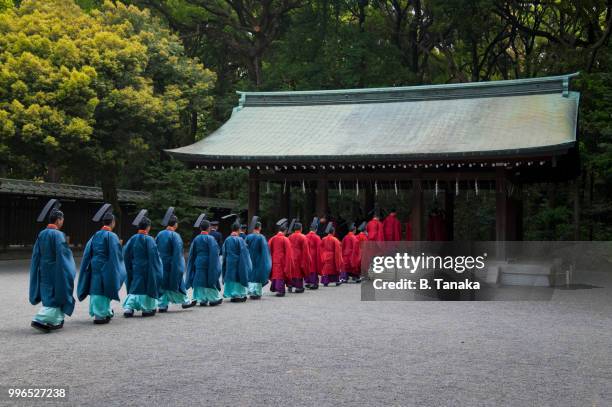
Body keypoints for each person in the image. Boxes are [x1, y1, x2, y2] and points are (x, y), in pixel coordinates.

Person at [29, 199, 76, 333]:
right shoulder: (58, 235)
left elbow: (36, 254)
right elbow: (63, 255)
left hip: (43, 268)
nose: (62, 222)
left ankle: (55, 320)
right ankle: (41, 318)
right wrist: (69, 269)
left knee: (47, 293)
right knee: (56, 294)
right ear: (58, 220)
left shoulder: (42, 233)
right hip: (56, 269)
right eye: (62, 219)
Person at [77, 204, 126, 325]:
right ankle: (101, 314)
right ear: (112, 222)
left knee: (95, 288)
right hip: (106, 266)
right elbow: (115, 255)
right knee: (105, 288)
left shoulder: (95, 235)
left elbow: (88, 251)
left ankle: (101, 312)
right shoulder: (112, 236)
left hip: (94, 265)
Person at [122, 210, 163, 317]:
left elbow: (126, 254)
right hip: (147, 268)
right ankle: (147, 308)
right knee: (146, 287)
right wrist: (157, 270)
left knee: (135, 286)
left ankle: (129, 307)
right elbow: (154, 257)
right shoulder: (149, 240)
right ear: (148, 227)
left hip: (136, 266)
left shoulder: (132, 239)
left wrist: (129, 267)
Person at [155, 208, 196, 312]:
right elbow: (178, 254)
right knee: (177, 282)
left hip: (161, 263)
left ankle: (162, 305)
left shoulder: (160, 234)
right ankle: (185, 301)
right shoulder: (175, 235)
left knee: (163, 284)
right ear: (175, 224)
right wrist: (179, 267)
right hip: (172, 264)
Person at [186, 215, 223, 306]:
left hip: (198, 261)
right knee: (209, 279)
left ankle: (201, 299)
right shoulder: (211, 239)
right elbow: (214, 253)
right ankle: (213, 298)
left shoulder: (196, 238)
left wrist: (192, 263)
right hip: (209, 262)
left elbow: (192, 253)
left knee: (199, 280)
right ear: (209, 228)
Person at [221, 221, 252, 302]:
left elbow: (224, 251)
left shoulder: (227, 239)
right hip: (238, 261)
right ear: (238, 230)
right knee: (238, 277)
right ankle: (238, 294)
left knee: (231, 276)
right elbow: (244, 252)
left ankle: (232, 294)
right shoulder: (240, 239)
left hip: (229, 261)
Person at [245, 217, 271, 299]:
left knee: (251, 275)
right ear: (259, 227)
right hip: (259, 259)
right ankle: (256, 293)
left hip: (249, 258)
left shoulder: (248, 237)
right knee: (258, 276)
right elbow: (265, 251)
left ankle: (251, 292)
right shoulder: (261, 237)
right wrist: (267, 262)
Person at [268, 218, 293, 297]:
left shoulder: (273, 238)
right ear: (285, 231)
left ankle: (274, 288)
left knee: (276, 274)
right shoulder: (285, 239)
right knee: (280, 275)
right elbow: (288, 252)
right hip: (282, 260)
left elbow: (269, 249)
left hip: (274, 259)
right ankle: (280, 290)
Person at [287, 221, 311, 294]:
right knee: (298, 273)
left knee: (291, 271)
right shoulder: (303, 237)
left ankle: (290, 286)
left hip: (291, 256)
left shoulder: (289, 237)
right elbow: (305, 250)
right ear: (301, 228)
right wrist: (307, 259)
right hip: (299, 257)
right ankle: (298, 287)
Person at [304, 217, 322, 290]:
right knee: (313, 269)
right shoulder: (317, 237)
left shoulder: (305, 236)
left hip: (307, 253)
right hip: (314, 255)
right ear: (316, 229)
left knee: (308, 267)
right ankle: (313, 283)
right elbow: (319, 249)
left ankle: (307, 282)